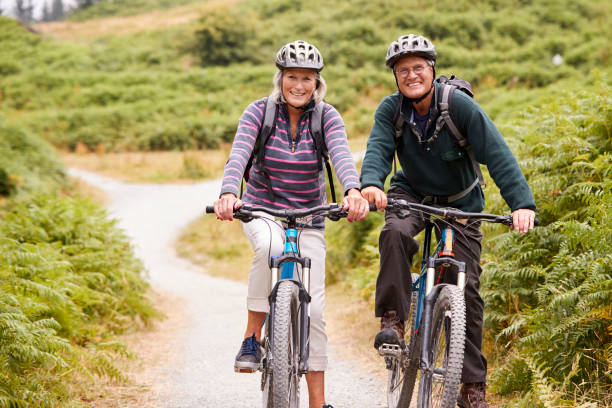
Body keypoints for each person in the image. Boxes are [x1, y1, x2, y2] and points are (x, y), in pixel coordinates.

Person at [360, 34, 536, 408]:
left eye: (418, 68)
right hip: (413, 195)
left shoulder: (458, 106)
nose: (411, 75)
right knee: (394, 232)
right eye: (403, 70)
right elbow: (377, 149)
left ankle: (471, 388)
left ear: (432, 70)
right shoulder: (391, 110)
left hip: (462, 203)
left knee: (468, 289)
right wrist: (372, 185)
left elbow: (498, 153)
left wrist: (521, 203)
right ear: (395, 76)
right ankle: (392, 320)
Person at [213, 40, 369, 408]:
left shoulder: (326, 116)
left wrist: (353, 190)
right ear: (280, 79)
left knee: (314, 311)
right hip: (262, 210)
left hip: (311, 216)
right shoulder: (258, 113)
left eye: (307, 78)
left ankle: (318, 403)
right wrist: (228, 193)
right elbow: (238, 154)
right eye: (292, 77)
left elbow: (342, 156)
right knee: (269, 247)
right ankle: (253, 336)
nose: (299, 85)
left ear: (318, 83)